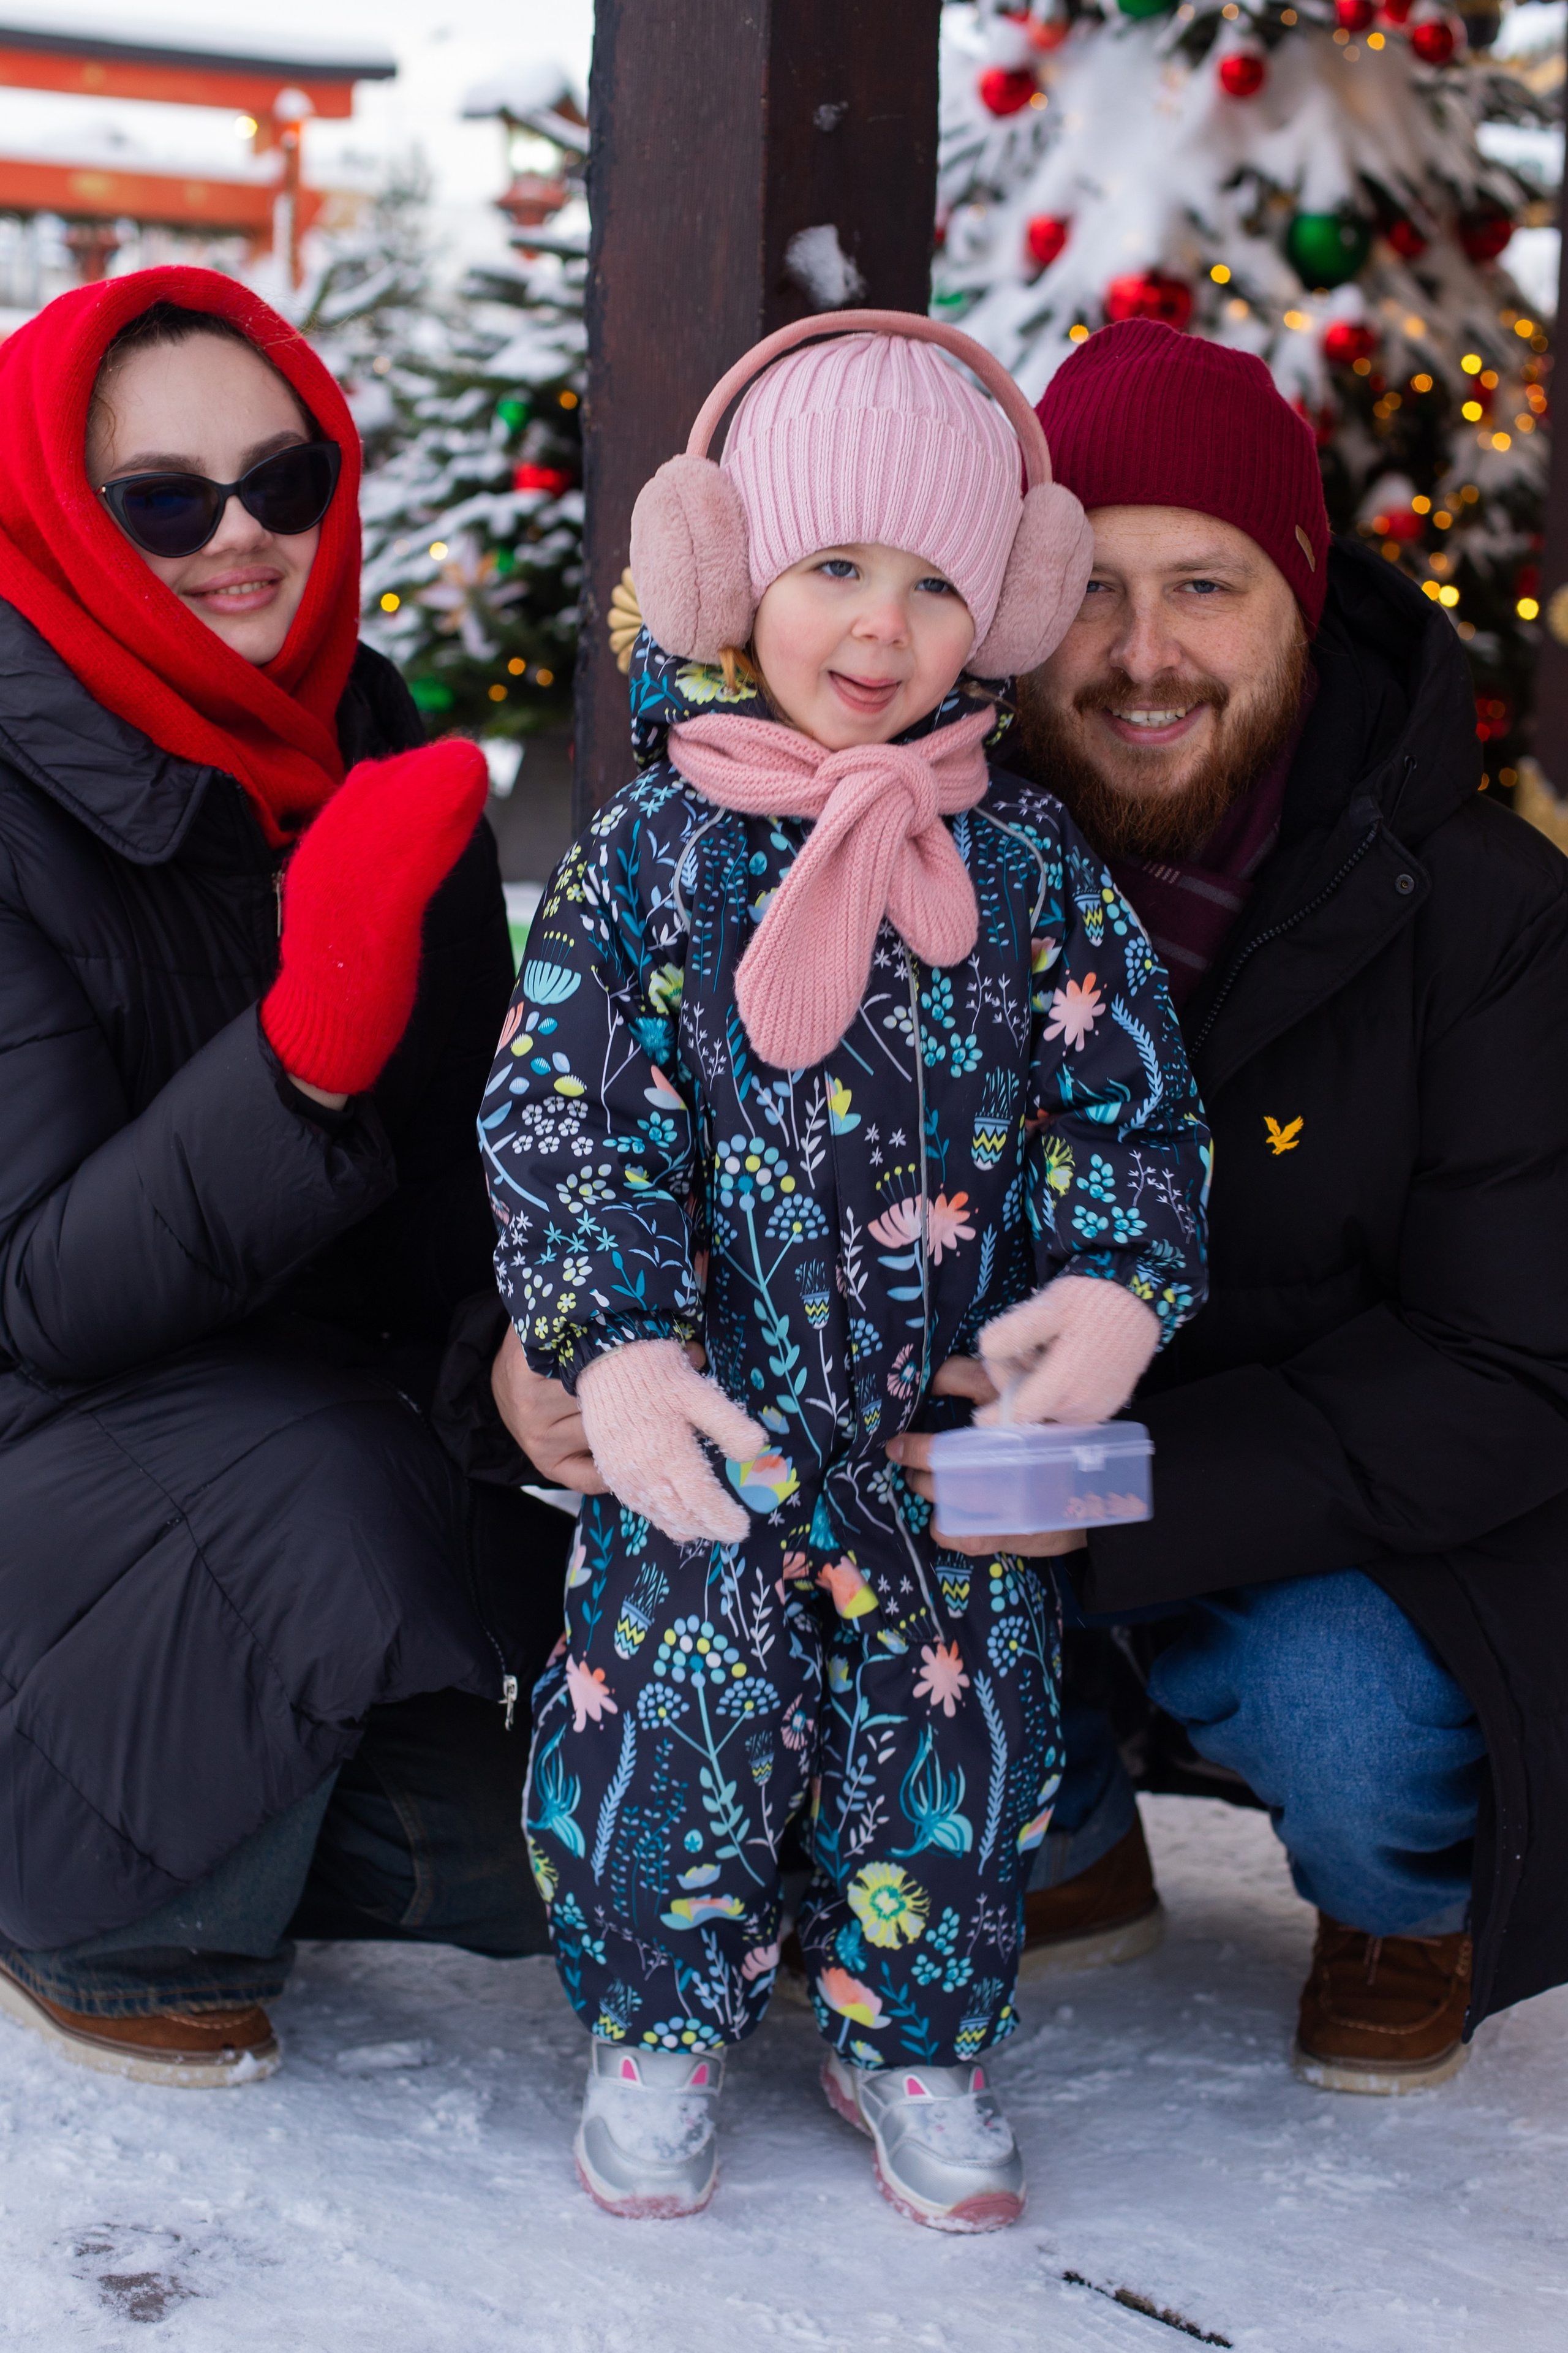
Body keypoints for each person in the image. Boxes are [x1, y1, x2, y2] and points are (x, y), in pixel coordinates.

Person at [483, 314, 1211, 2228]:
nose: (878, 630)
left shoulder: (1037, 868)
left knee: (955, 1737)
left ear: (1001, 605)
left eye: (932, 584)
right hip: (710, 1437)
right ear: (736, 573)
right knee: (672, 1715)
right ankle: (659, 2021)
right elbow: (568, 1109)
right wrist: (623, 1352)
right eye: (831, 569)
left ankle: (914, 2034)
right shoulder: (646, 853)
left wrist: (1114, 1296)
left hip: (934, 1445)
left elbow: (1128, 1111)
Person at [894, 318, 1568, 2094]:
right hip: (978, 1498)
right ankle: (1060, 1838)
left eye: (1206, 585)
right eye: (1093, 589)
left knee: (1357, 1706)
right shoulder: (902, 849)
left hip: (1322, 1539)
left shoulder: (1481, 912)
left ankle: (1402, 1901)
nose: (1141, 654)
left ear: (1301, 593)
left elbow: (1508, 1372)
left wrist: (1089, 1497)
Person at [0, 267, 568, 2088]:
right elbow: (40, 1290)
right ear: (61, 517)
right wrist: (305, 1051)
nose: (241, 540)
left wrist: (512, 1352)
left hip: (328, 1437)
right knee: (334, 1513)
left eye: (284, 481)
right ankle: (101, 1918)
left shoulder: (372, 733)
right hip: (59, 1443)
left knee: (602, 1795)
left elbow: (469, 1183)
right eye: (163, 501)